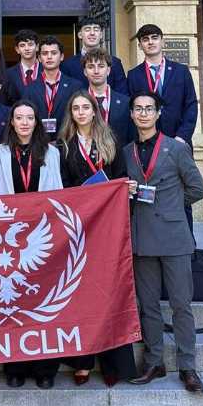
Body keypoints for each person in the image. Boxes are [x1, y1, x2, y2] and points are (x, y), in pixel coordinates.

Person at [125, 91, 203, 394]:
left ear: (158, 114)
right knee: (148, 306)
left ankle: (188, 366)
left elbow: (197, 188)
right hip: (143, 238)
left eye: (149, 109)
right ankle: (155, 361)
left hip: (173, 237)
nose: (143, 114)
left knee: (181, 305)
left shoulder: (175, 149)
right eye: (138, 109)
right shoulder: (126, 151)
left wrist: (172, 206)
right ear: (132, 115)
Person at [56, 91, 137, 386]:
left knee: (110, 291)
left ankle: (112, 361)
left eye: (85, 107)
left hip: (108, 227)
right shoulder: (62, 147)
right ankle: (83, 360)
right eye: (75, 108)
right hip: (79, 227)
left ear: (94, 111)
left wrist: (119, 190)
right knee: (82, 294)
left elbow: (122, 179)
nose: (80, 112)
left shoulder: (110, 142)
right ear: (71, 113)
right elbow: (62, 187)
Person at [0, 100, 62, 389]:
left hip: (42, 239)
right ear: (11, 122)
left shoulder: (52, 153)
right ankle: (15, 367)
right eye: (18, 117)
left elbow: (58, 194)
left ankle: (45, 370)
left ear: (37, 122)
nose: (24, 122)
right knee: (14, 305)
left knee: (42, 304)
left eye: (29, 118)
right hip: (8, 241)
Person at [126, 23, 199, 233]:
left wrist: (182, 138)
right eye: (145, 39)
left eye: (154, 38)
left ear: (162, 41)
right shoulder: (134, 75)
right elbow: (132, 110)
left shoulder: (181, 71)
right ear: (140, 45)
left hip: (177, 142)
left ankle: (187, 245)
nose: (150, 42)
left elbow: (191, 105)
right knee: (148, 196)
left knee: (180, 196)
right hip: (147, 145)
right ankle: (154, 241)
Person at [24, 36, 82, 141]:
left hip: (68, 143)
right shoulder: (30, 88)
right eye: (45, 54)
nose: (49, 57)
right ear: (39, 58)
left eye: (54, 53)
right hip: (39, 144)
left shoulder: (75, 86)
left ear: (62, 57)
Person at [81, 48, 134, 147]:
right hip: (85, 159)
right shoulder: (77, 102)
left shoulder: (125, 102)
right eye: (91, 67)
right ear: (85, 72)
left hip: (118, 159)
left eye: (101, 66)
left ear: (108, 70)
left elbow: (131, 139)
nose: (96, 71)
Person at [62, 16, 128, 93]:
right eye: (87, 29)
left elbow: (123, 94)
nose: (92, 33)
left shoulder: (115, 62)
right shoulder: (67, 65)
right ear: (80, 35)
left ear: (101, 35)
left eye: (96, 29)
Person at [4, 28, 42, 96]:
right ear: (17, 49)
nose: (27, 48)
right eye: (22, 45)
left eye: (30, 44)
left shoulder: (46, 71)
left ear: (37, 47)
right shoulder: (9, 74)